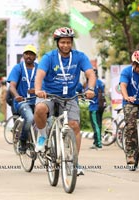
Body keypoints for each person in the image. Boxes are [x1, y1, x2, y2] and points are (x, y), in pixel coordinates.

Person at [34, 27, 96, 175]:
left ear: (72, 43)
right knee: (39, 109)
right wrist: (37, 90)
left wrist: (91, 88)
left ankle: (73, 163)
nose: (66, 45)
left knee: (74, 125)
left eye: (68, 42)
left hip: (70, 97)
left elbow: (90, 74)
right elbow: (39, 75)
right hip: (49, 95)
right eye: (62, 42)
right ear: (57, 43)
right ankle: (42, 135)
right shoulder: (49, 57)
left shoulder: (79, 57)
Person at [7, 44, 38, 153]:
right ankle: (23, 141)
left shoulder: (39, 69)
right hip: (22, 102)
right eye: (26, 53)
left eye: (31, 54)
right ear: (23, 55)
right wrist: (17, 96)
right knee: (29, 118)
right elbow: (12, 86)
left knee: (48, 120)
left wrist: (38, 90)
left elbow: (45, 85)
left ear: (35, 56)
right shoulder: (18, 68)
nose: (28, 56)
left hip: (37, 101)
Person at [88, 69, 106, 149]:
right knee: (99, 124)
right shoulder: (101, 82)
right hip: (101, 106)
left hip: (94, 106)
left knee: (95, 125)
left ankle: (98, 143)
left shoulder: (92, 84)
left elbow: (87, 94)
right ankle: (96, 142)